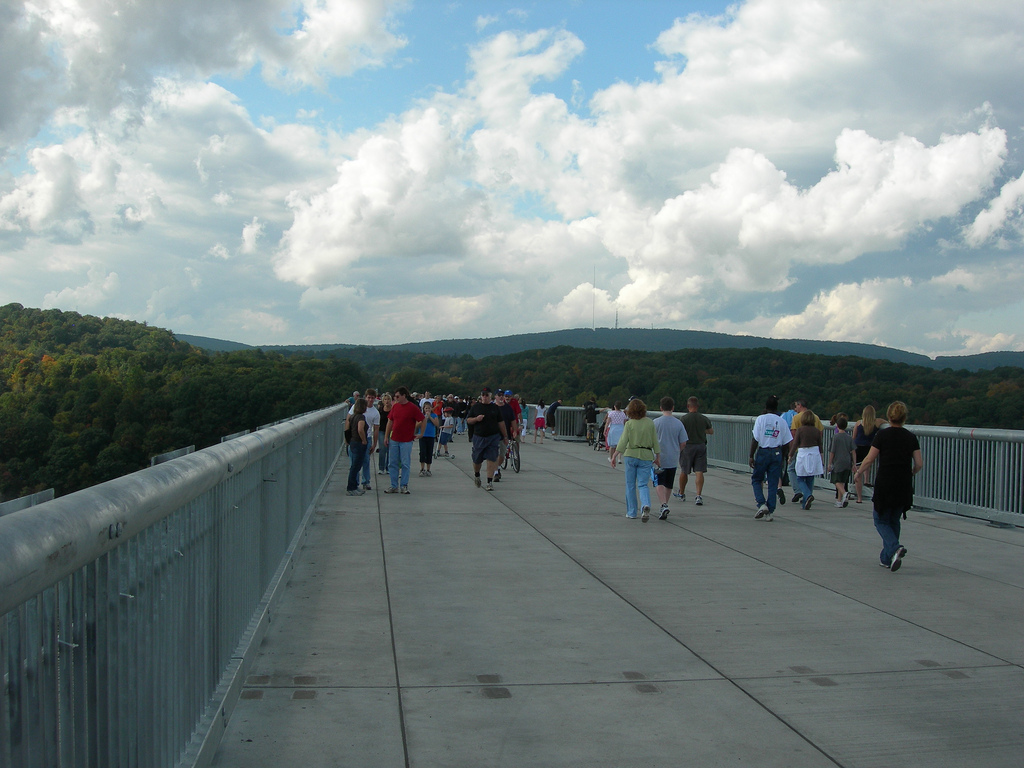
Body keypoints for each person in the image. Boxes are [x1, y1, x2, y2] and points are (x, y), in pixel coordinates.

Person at [853, 401, 923, 572]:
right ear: (904, 417)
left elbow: (869, 459)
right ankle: (887, 558)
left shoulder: (882, 436)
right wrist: (912, 472)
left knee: (880, 519)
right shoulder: (911, 437)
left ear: (889, 417)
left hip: (885, 482)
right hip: (903, 483)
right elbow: (919, 463)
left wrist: (859, 472)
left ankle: (894, 547)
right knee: (894, 519)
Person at [610, 398, 660, 521]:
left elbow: (623, 442)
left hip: (631, 454)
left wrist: (615, 456)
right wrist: (658, 456)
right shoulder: (650, 423)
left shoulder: (629, 424)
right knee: (643, 484)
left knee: (630, 485)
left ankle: (632, 512)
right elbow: (655, 441)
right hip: (646, 455)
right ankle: (645, 505)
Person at [749, 395, 793, 522]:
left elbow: (755, 439)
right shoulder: (782, 421)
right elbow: (786, 442)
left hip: (763, 451)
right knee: (773, 482)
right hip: (777, 452)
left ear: (766, 407)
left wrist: (751, 455)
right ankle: (770, 510)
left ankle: (761, 504)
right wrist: (783, 457)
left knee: (757, 479)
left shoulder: (761, 419)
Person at [384, 387, 424, 494]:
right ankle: (393, 485)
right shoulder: (395, 407)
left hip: (406, 440)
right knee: (392, 463)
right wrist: (386, 436)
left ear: (404, 396)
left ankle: (404, 485)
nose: (395, 398)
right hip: (394, 439)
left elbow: (422, 419)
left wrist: (421, 433)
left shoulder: (412, 408)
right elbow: (390, 421)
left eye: (397, 396)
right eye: (395, 396)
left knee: (405, 463)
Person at [652, 397, 688, 520]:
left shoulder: (655, 422)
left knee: (658, 481)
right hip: (673, 457)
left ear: (661, 408)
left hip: (658, 457)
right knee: (668, 483)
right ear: (673, 407)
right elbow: (683, 443)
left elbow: (651, 440)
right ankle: (664, 504)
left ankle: (663, 504)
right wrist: (677, 450)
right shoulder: (678, 423)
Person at [467, 387, 508, 491]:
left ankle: (489, 482)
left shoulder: (495, 408)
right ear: (481, 396)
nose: (485, 397)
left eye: (487, 395)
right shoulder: (476, 407)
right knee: (477, 460)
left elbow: (501, 423)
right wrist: (476, 419)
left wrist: (505, 436)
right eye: (483, 395)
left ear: (490, 396)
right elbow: (468, 420)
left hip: (493, 437)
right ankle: (477, 475)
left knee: (491, 458)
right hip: (479, 437)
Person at [678, 396, 714, 506]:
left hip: (688, 446)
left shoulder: (684, 419)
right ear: (697, 406)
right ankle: (698, 495)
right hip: (701, 446)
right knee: (699, 471)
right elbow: (711, 431)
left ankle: (682, 493)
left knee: (684, 470)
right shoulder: (703, 418)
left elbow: (679, 433)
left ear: (688, 406)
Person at [787, 399, 823, 505]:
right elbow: (820, 439)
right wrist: (821, 456)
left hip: (801, 451)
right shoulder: (816, 421)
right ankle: (807, 497)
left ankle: (803, 493)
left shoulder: (798, 422)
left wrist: (790, 454)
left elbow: (794, 438)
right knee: (810, 476)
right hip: (814, 452)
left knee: (797, 474)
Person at [853, 405, 887, 503]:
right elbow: (887, 422)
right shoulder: (877, 422)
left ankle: (859, 498)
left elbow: (854, 438)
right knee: (867, 463)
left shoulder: (859, 423)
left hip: (858, 447)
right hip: (870, 448)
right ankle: (867, 480)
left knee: (858, 472)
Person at [828, 415, 856, 507]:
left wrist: (829, 463)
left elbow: (832, 451)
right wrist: (854, 464)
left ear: (837, 426)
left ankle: (844, 493)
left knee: (836, 480)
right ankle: (839, 501)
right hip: (847, 461)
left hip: (838, 461)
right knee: (843, 481)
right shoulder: (849, 437)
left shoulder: (835, 437)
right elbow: (853, 451)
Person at [345, 398, 368, 496]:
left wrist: (348, 440)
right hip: (359, 443)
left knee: (354, 466)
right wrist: (364, 440)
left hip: (353, 442)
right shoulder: (361, 417)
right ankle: (351, 488)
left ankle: (354, 486)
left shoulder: (352, 417)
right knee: (356, 466)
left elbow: (347, 429)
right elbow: (360, 429)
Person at [359, 388, 380, 491]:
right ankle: (354, 481)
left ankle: (366, 481)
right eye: (369, 397)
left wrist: (374, 443)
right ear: (365, 397)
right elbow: (349, 419)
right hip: (356, 437)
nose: (370, 400)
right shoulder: (357, 407)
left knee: (366, 460)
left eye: (372, 398)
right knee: (354, 461)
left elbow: (376, 429)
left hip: (367, 437)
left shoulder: (375, 413)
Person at [417, 402, 439, 477]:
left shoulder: (434, 415)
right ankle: (422, 469)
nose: (427, 410)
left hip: (431, 436)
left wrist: (430, 417)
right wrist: (424, 419)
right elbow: (416, 425)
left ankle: (428, 469)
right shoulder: (421, 415)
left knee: (429, 452)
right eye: (426, 408)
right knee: (422, 452)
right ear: (423, 409)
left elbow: (436, 424)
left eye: (429, 408)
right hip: (423, 435)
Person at [377, 392, 392, 474]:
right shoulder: (380, 410)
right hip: (382, 430)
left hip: (391, 431)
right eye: (385, 399)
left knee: (390, 449)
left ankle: (388, 467)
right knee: (382, 449)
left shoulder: (393, 410)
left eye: (388, 399)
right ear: (383, 401)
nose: (387, 401)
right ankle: (381, 467)